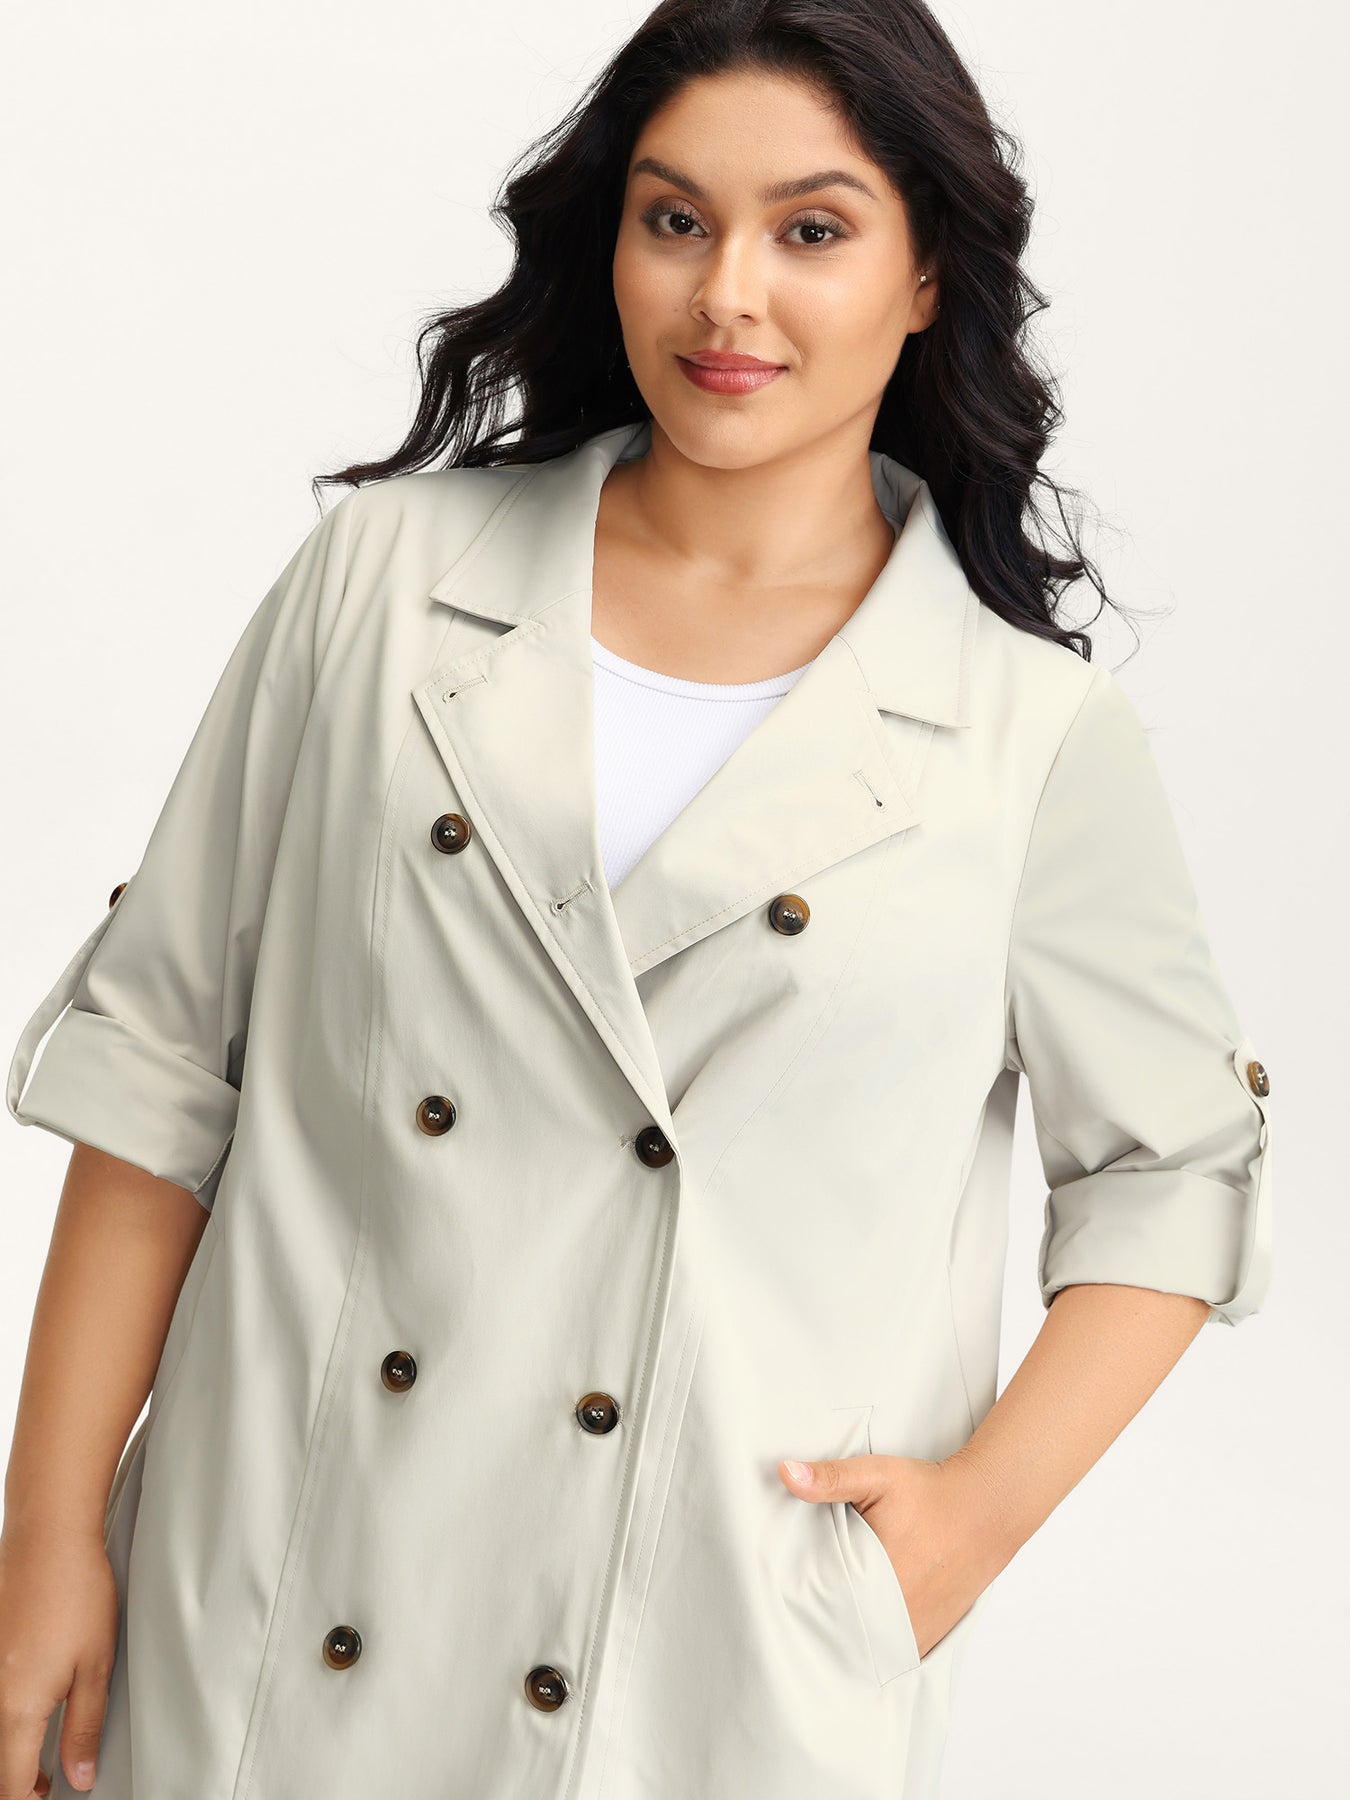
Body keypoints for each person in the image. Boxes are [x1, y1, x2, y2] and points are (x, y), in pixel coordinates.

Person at [0, 2, 1273, 1797]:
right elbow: (157, 1065)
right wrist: (48, 1532)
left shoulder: (1025, 735)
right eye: (675, 219)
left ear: (924, 275)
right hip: (269, 1595)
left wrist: (971, 1522)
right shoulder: (384, 583)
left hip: (692, 1666)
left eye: (810, 230)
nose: (725, 295)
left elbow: (1173, 1167)